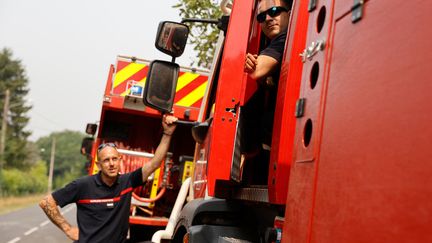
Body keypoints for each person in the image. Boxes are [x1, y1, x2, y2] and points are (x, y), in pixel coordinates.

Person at [39, 114, 178, 243]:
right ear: (99, 165)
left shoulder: (127, 182)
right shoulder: (83, 185)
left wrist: (167, 133)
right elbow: (46, 202)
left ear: (120, 160)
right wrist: (68, 229)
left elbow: (155, 163)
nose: (111, 164)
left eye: (114, 159)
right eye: (106, 160)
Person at [241, 0, 292, 184]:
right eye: (262, 17)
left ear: (290, 12)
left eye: (275, 11)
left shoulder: (285, 38)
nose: (268, 19)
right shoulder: (278, 44)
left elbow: (256, 71)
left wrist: (246, 63)